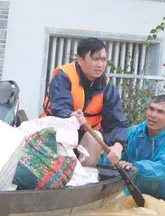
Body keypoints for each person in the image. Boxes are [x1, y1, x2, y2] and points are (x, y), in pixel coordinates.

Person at [41, 37, 128, 168]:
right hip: (55, 137)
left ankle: (83, 180)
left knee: (96, 136)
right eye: (95, 59)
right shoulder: (64, 77)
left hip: (85, 142)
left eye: (103, 59)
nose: (100, 65)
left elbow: (118, 122)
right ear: (80, 60)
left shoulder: (107, 86)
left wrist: (118, 145)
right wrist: (72, 117)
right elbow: (60, 109)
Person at [118, 95, 165, 206]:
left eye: (160, 112)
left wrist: (137, 167)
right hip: (138, 194)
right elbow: (114, 156)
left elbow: (164, 167)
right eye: (151, 109)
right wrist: (118, 162)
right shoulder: (134, 133)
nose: (153, 115)